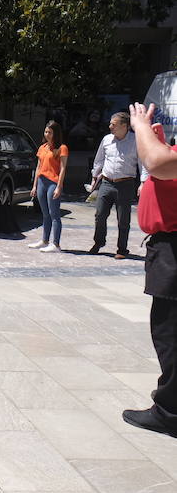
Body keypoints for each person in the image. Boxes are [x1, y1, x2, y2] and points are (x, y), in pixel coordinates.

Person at [122, 102, 177, 438]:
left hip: (173, 249)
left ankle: (170, 413)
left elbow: (156, 162)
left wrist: (140, 125)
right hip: (169, 245)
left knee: (170, 333)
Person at [88, 112, 148, 259]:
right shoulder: (107, 140)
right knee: (100, 214)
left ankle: (122, 249)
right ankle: (98, 242)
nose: (110, 127)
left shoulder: (135, 141)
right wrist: (94, 178)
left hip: (125, 184)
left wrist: (143, 183)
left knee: (123, 219)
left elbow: (143, 163)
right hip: (106, 182)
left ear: (124, 126)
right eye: (110, 123)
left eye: (113, 124)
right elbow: (99, 160)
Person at [28, 121, 69, 253]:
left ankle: (56, 244)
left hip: (53, 182)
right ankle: (44, 240)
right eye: (46, 132)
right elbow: (38, 167)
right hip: (41, 181)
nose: (47, 135)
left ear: (55, 133)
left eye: (50, 132)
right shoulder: (42, 147)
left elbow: (63, 168)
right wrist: (34, 186)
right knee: (45, 213)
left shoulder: (62, 148)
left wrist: (59, 186)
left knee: (54, 213)